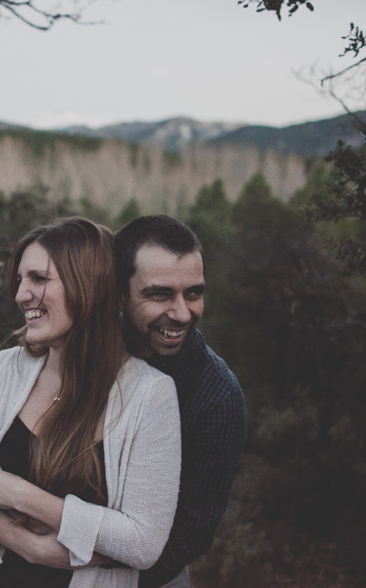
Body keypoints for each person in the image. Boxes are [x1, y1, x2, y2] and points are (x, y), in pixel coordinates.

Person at [0, 217, 183, 588]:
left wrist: (31, 500)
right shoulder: (4, 370)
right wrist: (25, 543)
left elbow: (144, 542)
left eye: (38, 279)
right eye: (20, 280)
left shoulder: (150, 395)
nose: (21, 295)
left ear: (88, 286)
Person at [113, 215, 246, 588]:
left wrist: (80, 571)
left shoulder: (217, 396)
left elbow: (191, 531)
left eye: (194, 293)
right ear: (120, 293)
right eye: (160, 294)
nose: (183, 313)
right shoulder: (80, 354)